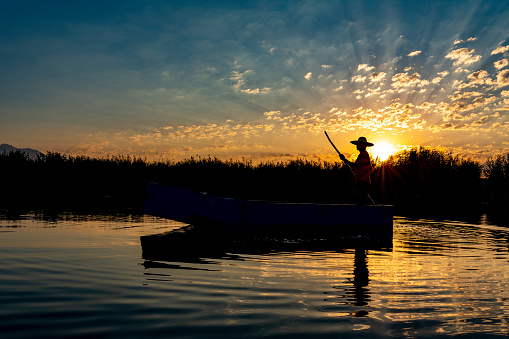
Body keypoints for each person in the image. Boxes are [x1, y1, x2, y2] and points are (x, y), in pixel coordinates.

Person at [338, 137, 374, 204]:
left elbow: (354, 166)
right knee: (361, 200)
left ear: (363, 145)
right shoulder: (363, 155)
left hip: (362, 182)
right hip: (362, 181)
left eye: (358, 144)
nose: (357, 146)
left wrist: (344, 159)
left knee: (361, 201)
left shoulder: (363, 154)